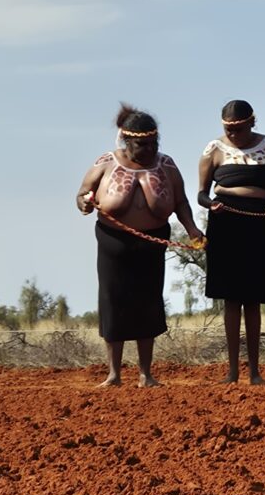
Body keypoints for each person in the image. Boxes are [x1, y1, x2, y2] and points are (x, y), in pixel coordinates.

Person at [76, 104, 204, 388]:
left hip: (152, 242)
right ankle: (114, 374)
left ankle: (146, 374)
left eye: (152, 144)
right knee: (114, 302)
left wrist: (193, 229)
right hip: (113, 242)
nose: (148, 150)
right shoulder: (106, 162)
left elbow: (181, 202)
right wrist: (84, 202)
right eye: (141, 144)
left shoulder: (166, 164)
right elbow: (82, 194)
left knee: (148, 302)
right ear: (126, 140)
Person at [198, 100, 265, 385]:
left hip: (259, 222)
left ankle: (255, 372)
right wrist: (211, 204)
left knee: (253, 297)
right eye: (228, 128)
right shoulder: (213, 150)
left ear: (252, 122)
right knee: (231, 298)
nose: (233, 134)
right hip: (225, 223)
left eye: (238, 128)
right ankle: (232, 371)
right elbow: (200, 194)